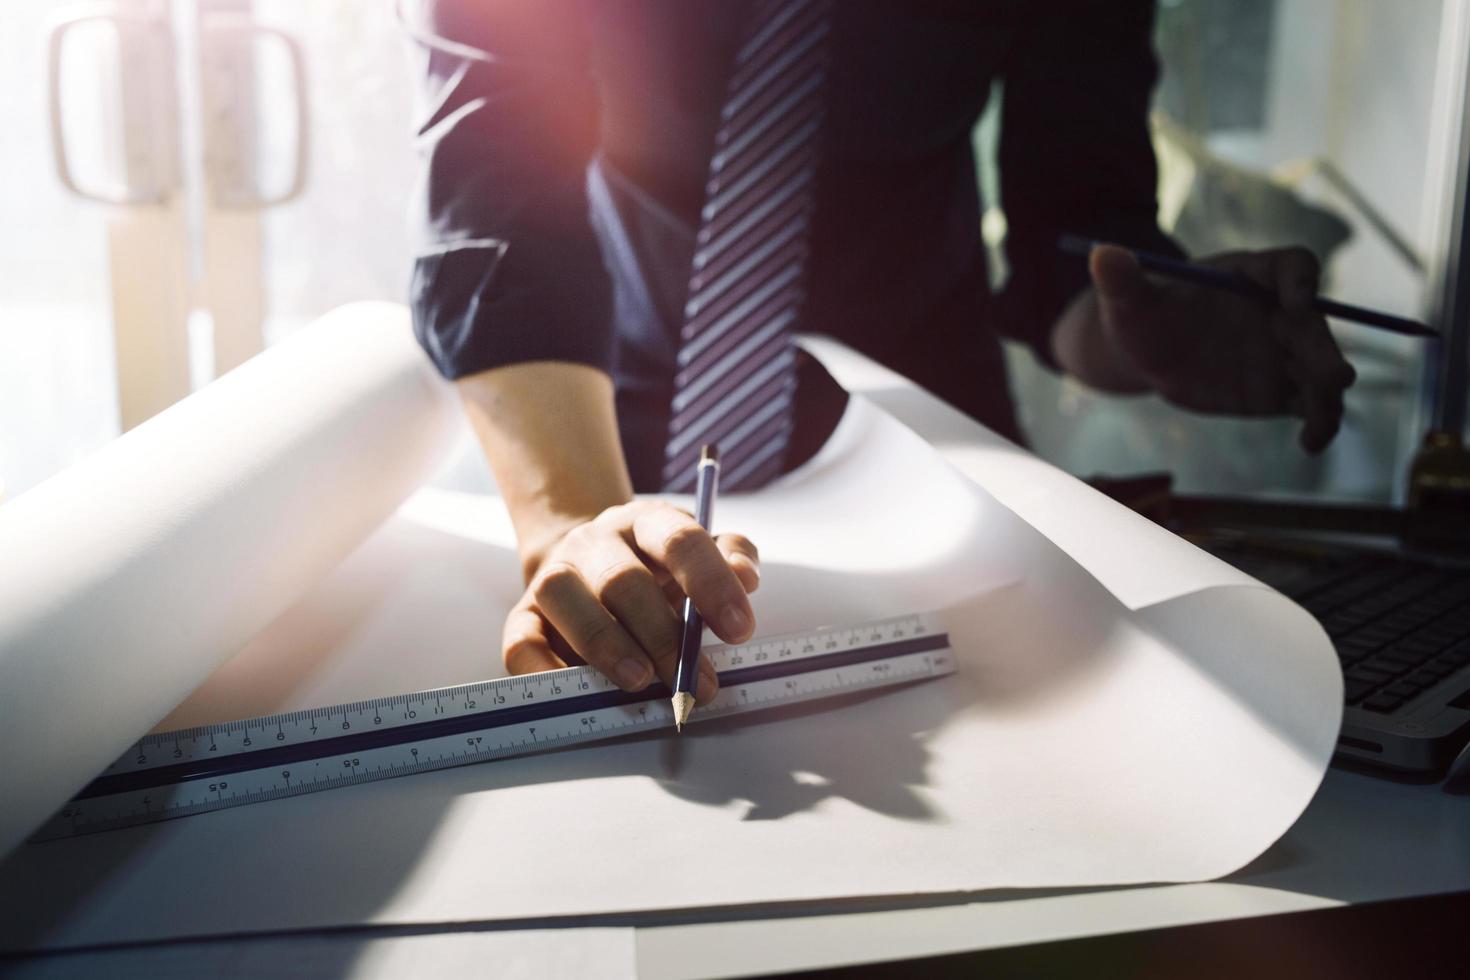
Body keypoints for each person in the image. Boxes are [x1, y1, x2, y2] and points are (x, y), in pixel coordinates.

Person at [401, 0, 1356, 702]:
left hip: (928, 462)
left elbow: (1072, 232)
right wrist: (573, 515)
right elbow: (499, 190)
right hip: (596, 420)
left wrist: (1143, 330)